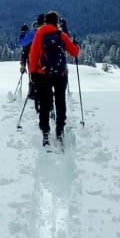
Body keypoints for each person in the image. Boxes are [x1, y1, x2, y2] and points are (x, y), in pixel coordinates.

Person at [29, 11, 80, 146]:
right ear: (56, 22)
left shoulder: (39, 35)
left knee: (45, 104)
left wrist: (33, 73)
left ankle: (45, 132)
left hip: (43, 74)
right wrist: (77, 45)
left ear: (45, 21)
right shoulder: (61, 35)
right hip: (60, 74)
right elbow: (74, 52)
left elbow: (33, 56)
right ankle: (59, 130)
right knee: (60, 102)